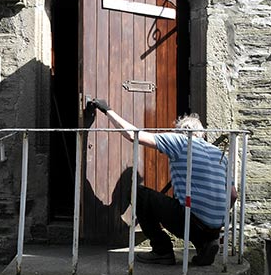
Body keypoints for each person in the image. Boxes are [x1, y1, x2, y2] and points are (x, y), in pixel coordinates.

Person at [89, 99, 233, 266]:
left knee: (139, 195)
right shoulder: (218, 153)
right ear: (202, 134)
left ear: (179, 131)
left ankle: (161, 251)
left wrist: (108, 110)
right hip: (215, 227)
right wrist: (214, 220)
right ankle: (206, 244)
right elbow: (233, 195)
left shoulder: (181, 141)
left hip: (190, 222)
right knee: (194, 213)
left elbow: (133, 135)